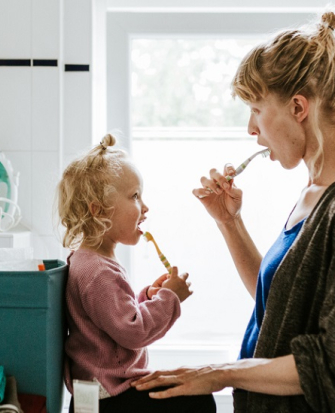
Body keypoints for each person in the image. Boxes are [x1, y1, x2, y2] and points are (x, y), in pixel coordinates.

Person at [132, 11, 335, 412]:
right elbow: (280, 304)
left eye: (256, 110)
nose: (251, 129)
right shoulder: (315, 193)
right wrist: (230, 223)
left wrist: (222, 372)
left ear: (298, 107)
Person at [57, 134, 217, 413]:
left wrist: (147, 297)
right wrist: (169, 298)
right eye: (134, 196)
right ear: (99, 211)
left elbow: (112, 320)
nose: (145, 207)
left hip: (97, 395)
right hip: (111, 399)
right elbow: (133, 332)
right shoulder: (97, 271)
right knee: (200, 400)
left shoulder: (90, 262)